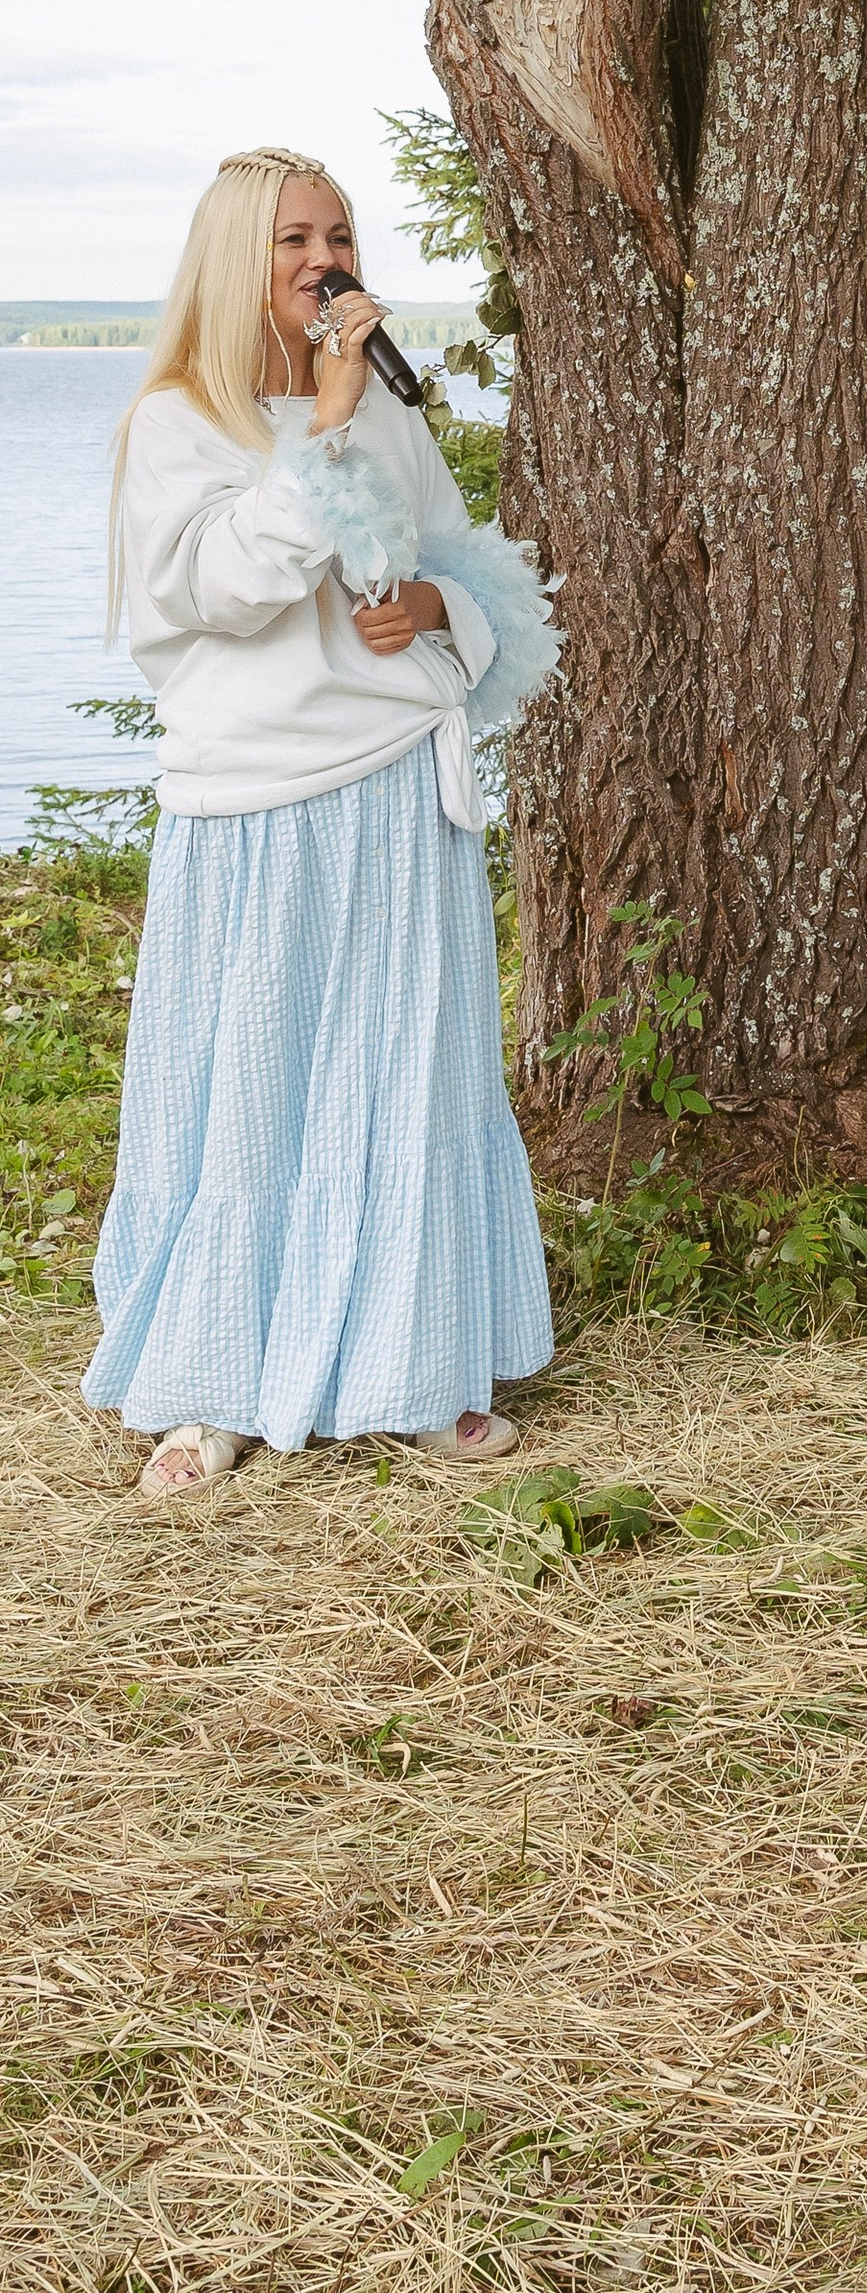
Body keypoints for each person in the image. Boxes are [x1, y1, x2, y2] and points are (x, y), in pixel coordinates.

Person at [83, 147, 559, 1496]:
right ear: (241, 257)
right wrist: (330, 419)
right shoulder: (180, 421)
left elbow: (472, 574)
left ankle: (415, 1367)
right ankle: (213, 1388)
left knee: (406, 1076)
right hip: (258, 806)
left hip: (399, 787)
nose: (324, 259)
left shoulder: (388, 410)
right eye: (295, 238)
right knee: (253, 1083)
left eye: (338, 234)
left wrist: (437, 608)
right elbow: (222, 589)